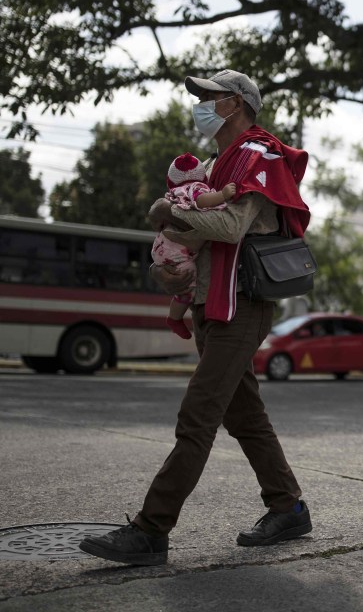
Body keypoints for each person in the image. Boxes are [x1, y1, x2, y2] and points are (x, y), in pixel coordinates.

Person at [80, 69, 313, 566]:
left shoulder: (258, 156)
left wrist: (168, 216)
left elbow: (229, 227)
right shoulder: (214, 163)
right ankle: (288, 507)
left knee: (198, 415)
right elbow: (198, 236)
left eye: (209, 97)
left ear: (236, 103)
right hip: (212, 301)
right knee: (246, 418)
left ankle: (151, 528)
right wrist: (168, 259)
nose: (201, 104)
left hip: (241, 304)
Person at [152, 152, 238, 339]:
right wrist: (222, 195)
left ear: (169, 180)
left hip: (164, 244)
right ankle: (175, 318)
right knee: (187, 285)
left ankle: (175, 317)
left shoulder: (173, 193)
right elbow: (201, 200)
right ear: (204, 177)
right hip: (177, 249)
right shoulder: (196, 187)